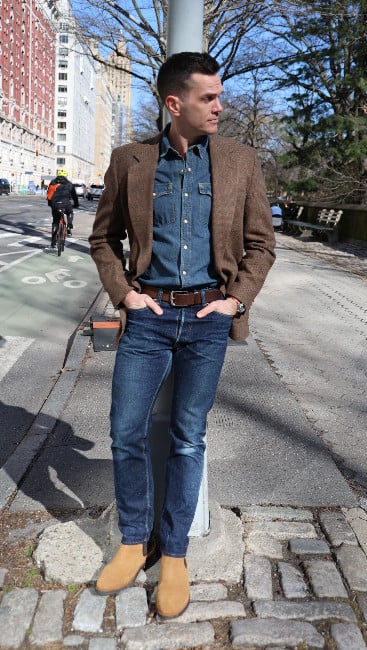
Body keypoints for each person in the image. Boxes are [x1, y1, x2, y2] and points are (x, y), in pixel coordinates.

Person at [89, 52, 275, 619]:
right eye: (209, 98)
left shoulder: (241, 161)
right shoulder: (132, 161)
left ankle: (173, 553)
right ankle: (132, 541)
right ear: (176, 104)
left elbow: (262, 244)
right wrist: (125, 294)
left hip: (206, 320)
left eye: (221, 95)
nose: (221, 106)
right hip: (147, 316)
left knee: (189, 436)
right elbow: (103, 239)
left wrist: (234, 301)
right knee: (125, 431)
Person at [47, 175, 78, 247]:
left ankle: (53, 243)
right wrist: (76, 204)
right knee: (70, 213)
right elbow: (74, 196)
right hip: (66, 204)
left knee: (55, 222)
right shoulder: (69, 184)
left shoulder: (52, 183)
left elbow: (49, 195)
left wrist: (50, 204)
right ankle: (69, 226)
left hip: (55, 204)